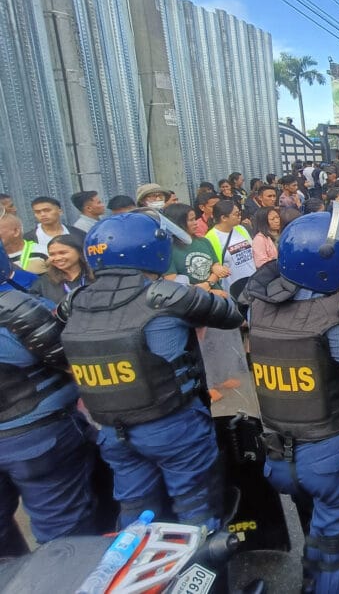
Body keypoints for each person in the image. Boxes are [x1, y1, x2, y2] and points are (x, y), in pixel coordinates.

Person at [242, 204, 339, 593]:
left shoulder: (260, 308)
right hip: (333, 452)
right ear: (327, 267)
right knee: (335, 553)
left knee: (314, 526)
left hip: (278, 450)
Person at [60, 211, 243, 529]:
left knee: (136, 513)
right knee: (196, 509)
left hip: (111, 430)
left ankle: (144, 577)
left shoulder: (76, 300)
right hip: (172, 425)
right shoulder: (166, 298)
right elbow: (230, 315)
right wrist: (202, 294)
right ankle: (201, 577)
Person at [0, 252, 96, 557]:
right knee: (65, 535)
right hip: (37, 436)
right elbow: (72, 361)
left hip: (31, 434)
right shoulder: (16, 307)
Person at [162, 203, 229, 295]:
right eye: (191, 220)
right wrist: (209, 292)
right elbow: (174, 284)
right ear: (177, 223)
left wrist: (208, 283)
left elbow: (216, 268)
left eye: (195, 219)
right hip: (194, 300)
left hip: (218, 293)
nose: (195, 223)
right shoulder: (168, 250)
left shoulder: (203, 241)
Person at [205, 200, 255, 299]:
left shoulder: (241, 229)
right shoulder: (210, 238)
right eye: (236, 214)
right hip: (232, 288)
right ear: (224, 218)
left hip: (252, 282)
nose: (240, 216)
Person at [29, 235, 93, 303]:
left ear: (79, 252)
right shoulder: (42, 283)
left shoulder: (96, 276)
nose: (57, 258)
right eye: (52, 254)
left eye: (62, 253)